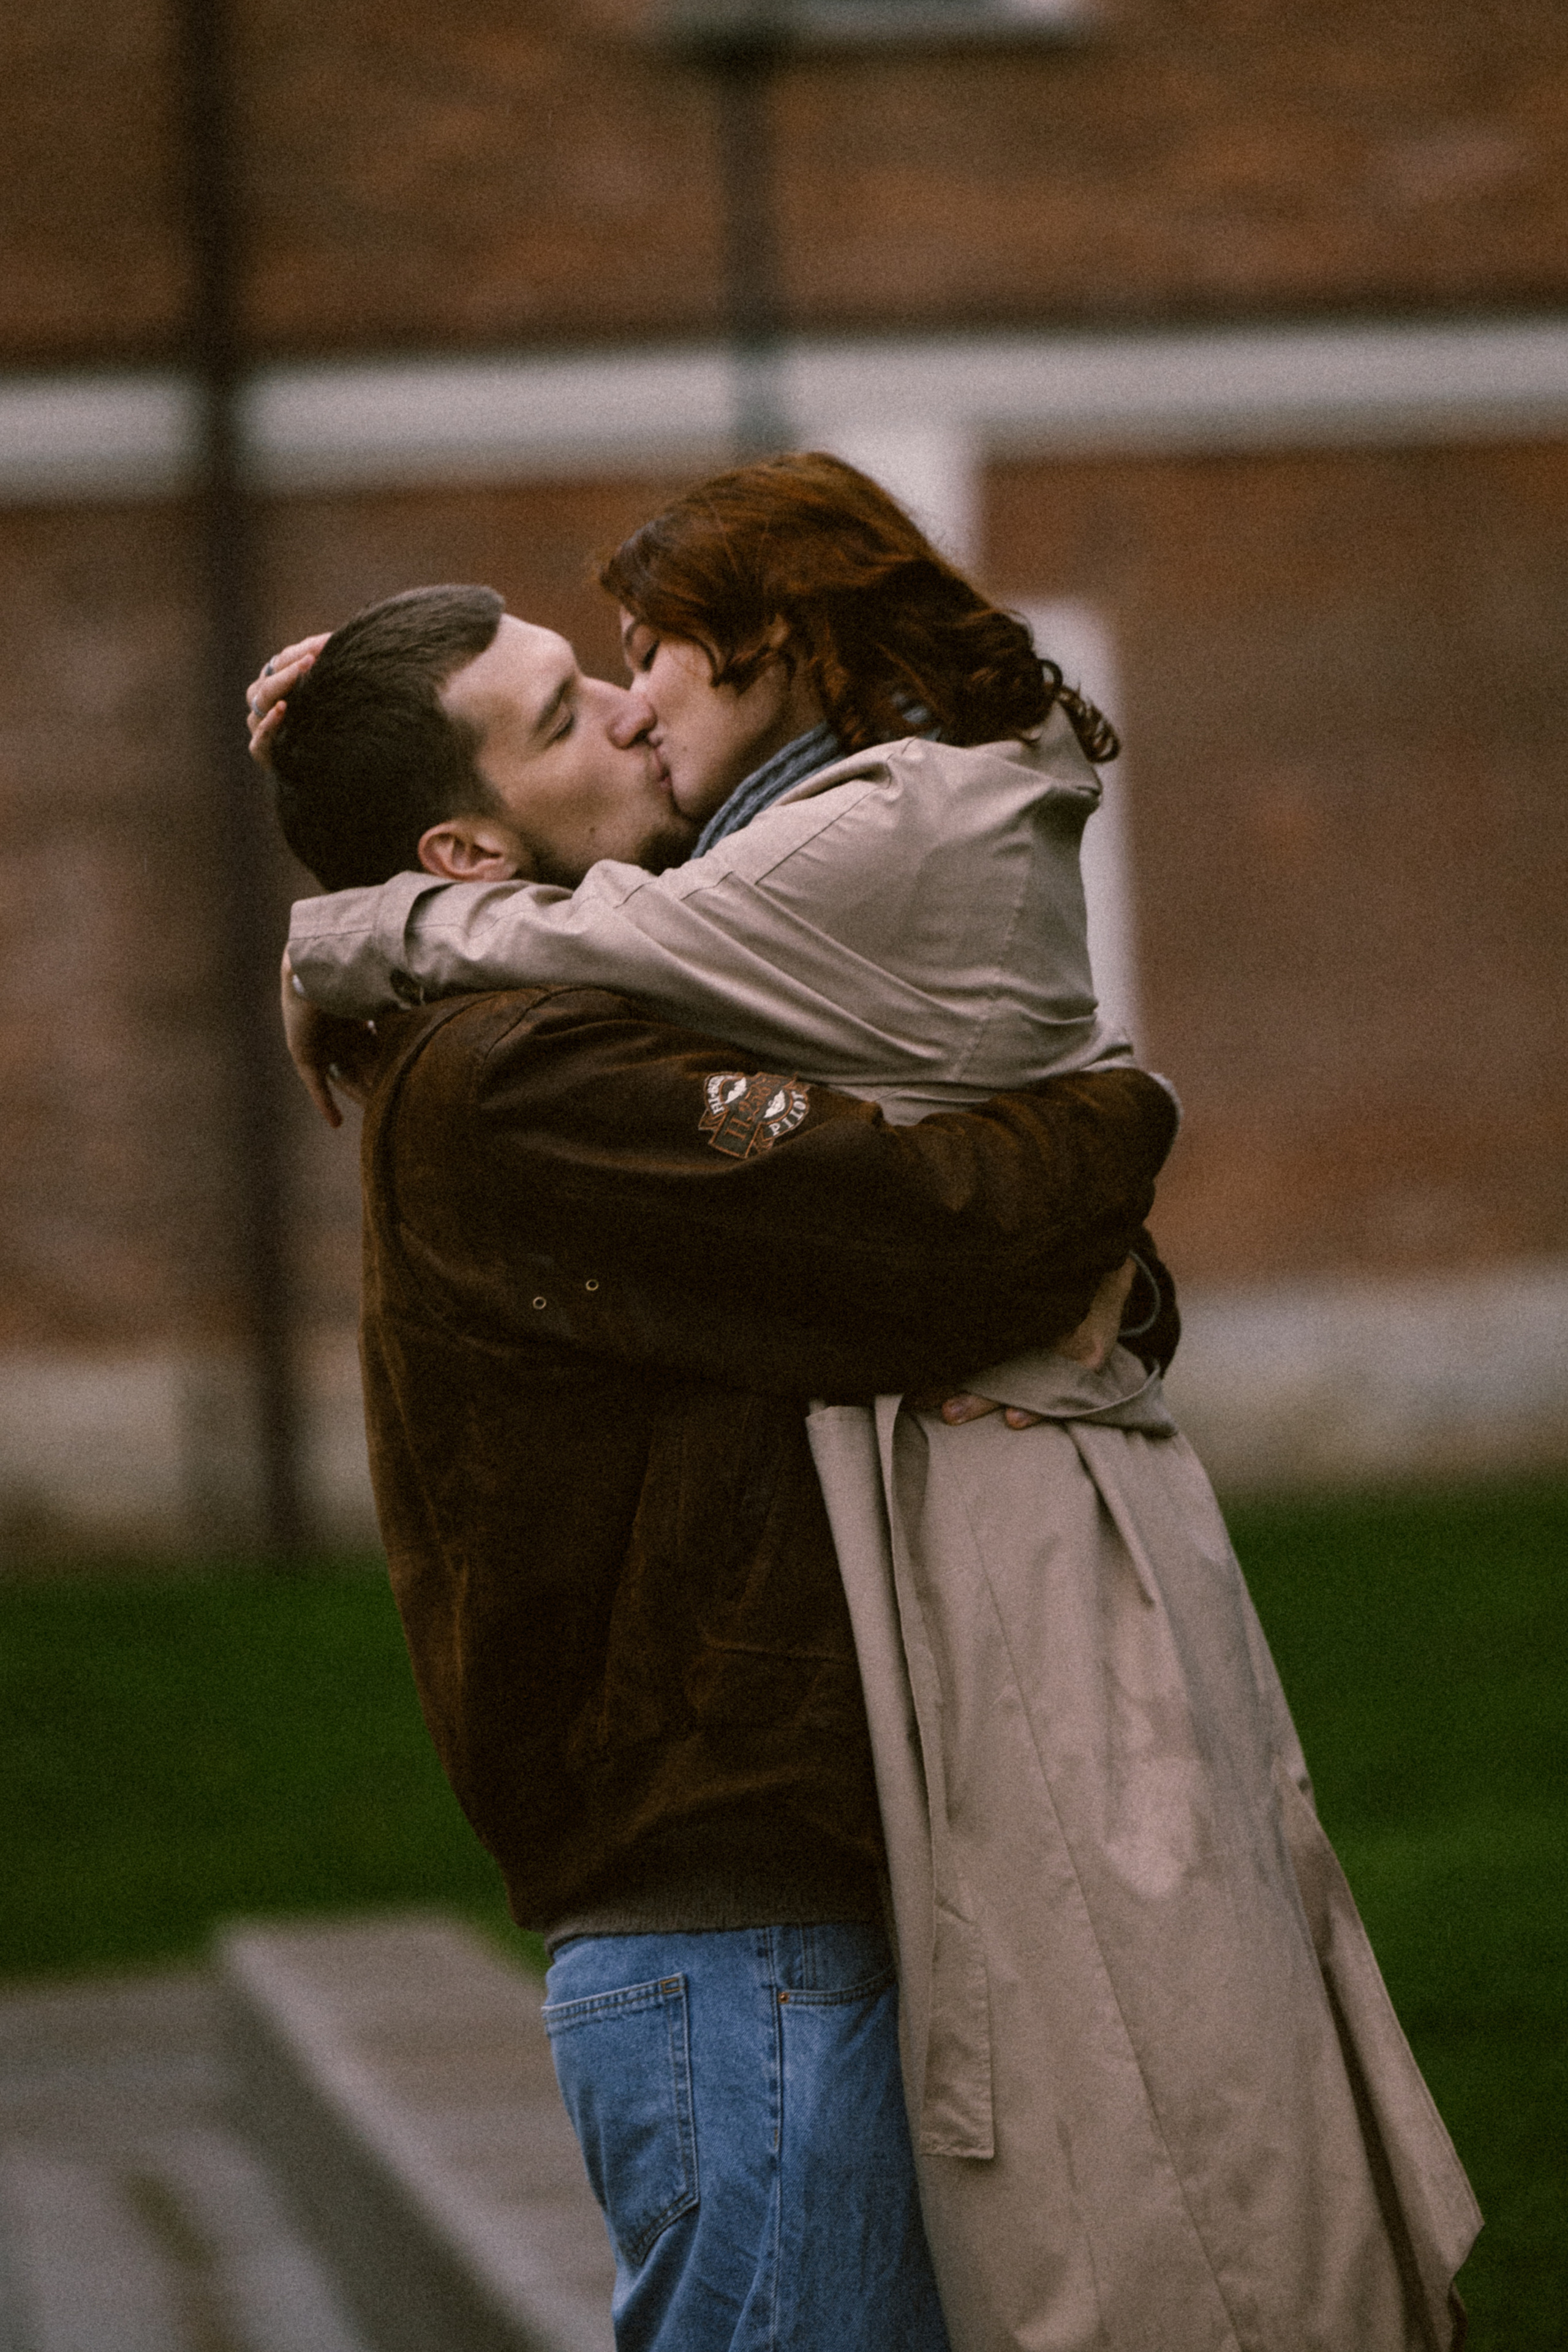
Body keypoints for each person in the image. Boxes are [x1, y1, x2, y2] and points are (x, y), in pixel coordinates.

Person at [260, 458, 1479, 2350]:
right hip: (723, 1923)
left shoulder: (616, 1008)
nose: (634, 705)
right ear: (465, 862)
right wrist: (1115, 1109)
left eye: (625, 665)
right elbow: (937, 1232)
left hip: (797, 1890)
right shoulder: (520, 1081)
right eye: (567, 712)